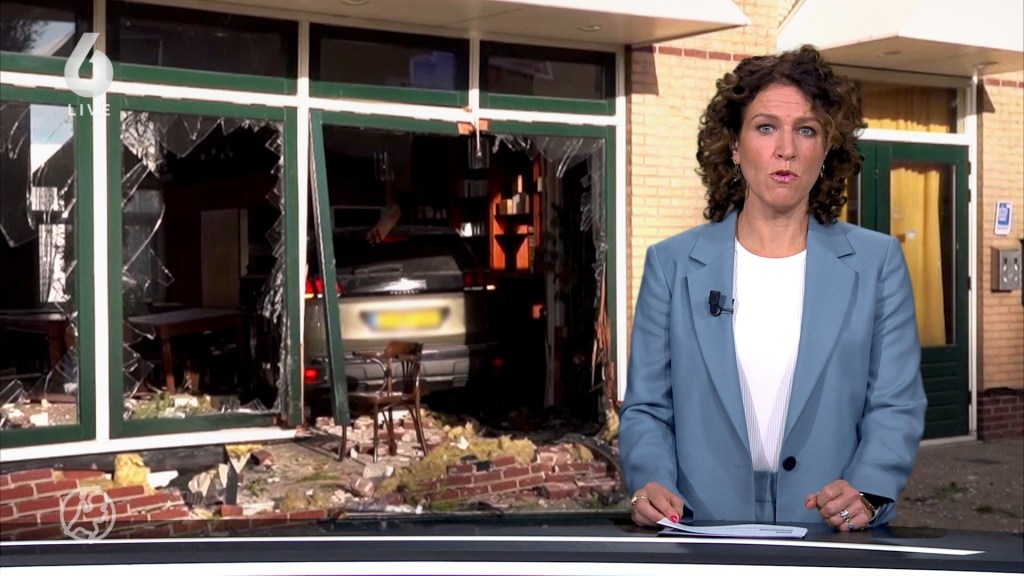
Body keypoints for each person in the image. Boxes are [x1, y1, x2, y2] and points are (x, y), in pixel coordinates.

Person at [618, 45, 927, 531]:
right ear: (734, 146)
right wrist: (650, 481)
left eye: (806, 130)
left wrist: (869, 488)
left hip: (830, 535)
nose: (786, 149)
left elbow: (896, 404)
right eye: (766, 128)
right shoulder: (671, 264)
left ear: (825, 150)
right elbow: (647, 408)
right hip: (700, 529)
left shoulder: (877, 262)